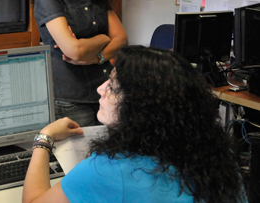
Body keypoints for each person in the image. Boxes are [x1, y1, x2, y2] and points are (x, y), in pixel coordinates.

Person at [22, 45, 247, 203]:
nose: (101, 89)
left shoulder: (110, 169)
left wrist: (44, 139)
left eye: (112, 86)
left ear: (140, 107)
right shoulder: (217, 151)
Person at [30, 0, 127, 126]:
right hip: (71, 100)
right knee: (79, 158)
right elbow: (74, 50)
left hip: (104, 93)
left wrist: (98, 56)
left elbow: (122, 39)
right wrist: (103, 38)